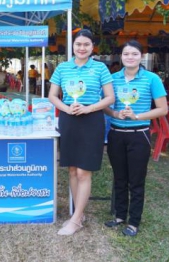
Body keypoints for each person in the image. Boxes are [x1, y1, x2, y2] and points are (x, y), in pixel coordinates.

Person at [48, 29, 115, 236]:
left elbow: (109, 98)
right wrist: (66, 108)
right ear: (73, 47)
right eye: (78, 44)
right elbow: (52, 95)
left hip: (91, 119)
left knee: (84, 171)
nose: (82, 48)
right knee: (71, 170)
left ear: (92, 47)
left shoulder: (100, 68)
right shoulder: (62, 67)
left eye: (86, 44)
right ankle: (80, 213)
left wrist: (89, 108)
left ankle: (76, 219)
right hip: (69, 119)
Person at [104, 40, 167, 237]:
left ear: (141, 56)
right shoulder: (112, 79)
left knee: (136, 180)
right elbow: (104, 104)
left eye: (134, 54)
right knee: (119, 177)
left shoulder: (151, 79)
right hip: (116, 134)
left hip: (139, 135)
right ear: (120, 57)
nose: (130, 57)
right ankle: (120, 215)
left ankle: (134, 221)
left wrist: (137, 116)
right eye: (126, 54)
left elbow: (162, 109)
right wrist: (115, 115)